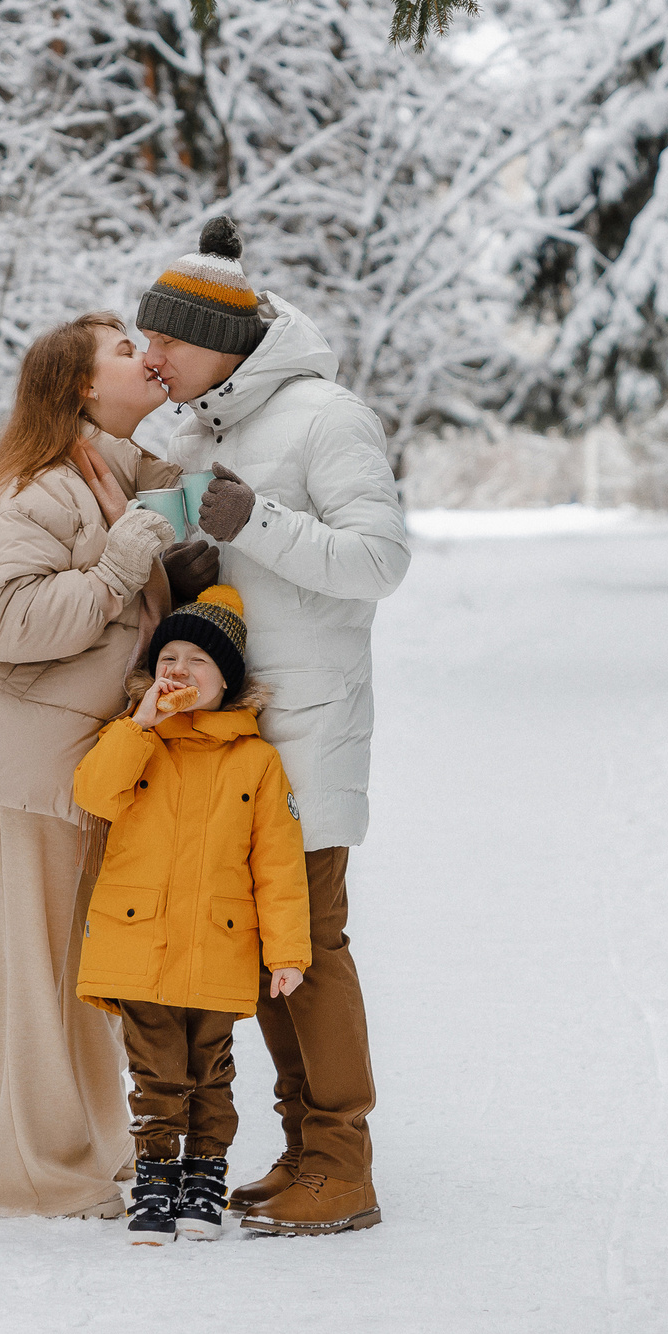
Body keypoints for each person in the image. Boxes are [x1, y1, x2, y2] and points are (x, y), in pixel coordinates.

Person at [0, 312, 214, 1219]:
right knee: (31, 971)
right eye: (124, 350)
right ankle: (35, 1174)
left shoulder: (112, 473)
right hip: (19, 760)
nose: (144, 357)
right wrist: (121, 568)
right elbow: (11, 625)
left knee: (83, 967)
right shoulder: (34, 488)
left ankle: (86, 1149)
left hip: (80, 759)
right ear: (79, 386)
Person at [136, 217, 410, 1236]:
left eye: (161, 339)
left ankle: (342, 1162)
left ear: (220, 341)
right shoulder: (204, 429)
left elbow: (379, 563)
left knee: (312, 946)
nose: (148, 357)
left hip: (307, 730)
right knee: (267, 956)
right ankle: (307, 1157)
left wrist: (253, 522)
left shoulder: (322, 417)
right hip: (234, 741)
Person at [72, 585, 312, 1245]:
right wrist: (139, 725)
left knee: (210, 1069)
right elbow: (93, 792)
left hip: (217, 945)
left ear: (227, 679)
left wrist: (287, 952)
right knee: (155, 1072)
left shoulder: (256, 761)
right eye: (167, 656)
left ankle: (204, 1174)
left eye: (196, 659)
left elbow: (278, 864)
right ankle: (155, 1176)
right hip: (138, 940)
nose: (177, 668)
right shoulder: (138, 741)